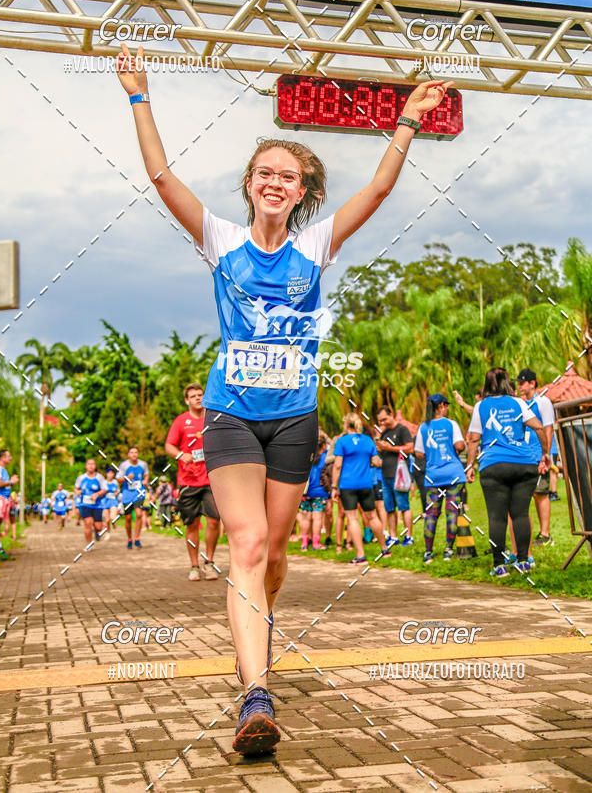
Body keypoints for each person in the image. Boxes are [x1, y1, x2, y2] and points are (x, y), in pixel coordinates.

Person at [116, 39, 450, 754]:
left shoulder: (316, 247)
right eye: (264, 172)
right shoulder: (219, 238)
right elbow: (160, 174)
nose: (274, 182)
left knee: (271, 560)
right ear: (249, 183)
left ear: (303, 193)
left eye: (288, 176)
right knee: (248, 542)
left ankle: (253, 642)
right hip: (231, 414)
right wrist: (139, 93)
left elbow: (381, 190)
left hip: (295, 420)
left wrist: (408, 121)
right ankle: (255, 695)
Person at [466, 367, 550, 577]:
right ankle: (523, 562)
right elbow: (539, 427)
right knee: (520, 513)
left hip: (493, 465)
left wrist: (470, 466)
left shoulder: (480, 406)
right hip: (524, 463)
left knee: (497, 517)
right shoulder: (518, 402)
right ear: (507, 383)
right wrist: (545, 454)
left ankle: (498, 565)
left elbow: (474, 439)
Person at [165, 383, 221, 581]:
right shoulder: (181, 421)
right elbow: (169, 445)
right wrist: (181, 455)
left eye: (200, 395)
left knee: (214, 520)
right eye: (193, 396)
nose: (198, 398)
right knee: (192, 524)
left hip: (211, 479)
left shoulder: (213, 418)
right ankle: (194, 565)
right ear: (187, 400)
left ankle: (210, 562)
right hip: (188, 481)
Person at [331, 414, 392, 565]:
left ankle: (360, 555)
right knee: (372, 516)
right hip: (366, 484)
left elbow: (337, 466)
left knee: (352, 518)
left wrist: (333, 487)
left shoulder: (342, 441)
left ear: (346, 425)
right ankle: (385, 549)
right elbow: (376, 462)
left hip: (348, 485)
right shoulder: (368, 440)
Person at [414, 394, 466, 562]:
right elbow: (460, 445)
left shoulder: (423, 427)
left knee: (431, 514)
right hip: (453, 475)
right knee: (452, 512)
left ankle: (428, 553)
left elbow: (419, 453)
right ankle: (448, 551)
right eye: (447, 405)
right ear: (442, 405)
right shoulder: (451, 424)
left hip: (433, 477)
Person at [517, 368, 556, 547]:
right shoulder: (523, 404)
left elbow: (548, 428)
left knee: (541, 493)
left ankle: (545, 534)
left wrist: (544, 455)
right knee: (531, 494)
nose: (519, 386)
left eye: (522, 383)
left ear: (532, 383)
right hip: (526, 456)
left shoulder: (543, 402)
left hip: (539, 454)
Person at [375, 407, 415, 547]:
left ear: (391, 415)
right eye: (380, 421)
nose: (383, 422)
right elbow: (382, 453)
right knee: (389, 508)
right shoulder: (384, 432)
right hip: (385, 475)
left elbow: (410, 448)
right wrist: (380, 449)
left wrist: (390, 448)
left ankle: (409, 536)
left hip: (400, 475)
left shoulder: (402, 430)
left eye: (385, 419)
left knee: (404, 506)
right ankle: (393, 536)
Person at [299, 433, 329, 551]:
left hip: (306, 492)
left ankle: (304, 543)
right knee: (317, 518)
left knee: (306, 517)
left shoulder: (307, 457)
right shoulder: (325, 458)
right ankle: (316, 543)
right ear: (323, 446)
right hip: (319, 492)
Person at [117, 446, 149, 549]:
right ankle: (129, 539)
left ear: (138, 454)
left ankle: (137, 538)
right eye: (132, 452)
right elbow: (118, 479)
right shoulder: (124, 465)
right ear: (128, 454)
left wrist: (145, 481)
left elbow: (146, 475)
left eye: (136, 452)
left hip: (138, 493)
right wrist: (127, 478)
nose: (134, 454)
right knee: (128, 518)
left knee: (139, 514)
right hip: (127, 494)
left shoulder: (143, 464)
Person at [0, 450, 18, 560]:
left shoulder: (3, 470)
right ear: (2, 457)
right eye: (8, 456)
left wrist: (11, 483)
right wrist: (11, 482)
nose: (10, 458)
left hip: (3, 499)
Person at [74, 460, 106, 545]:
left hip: (97, 505)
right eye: (89, 464)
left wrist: (97, 494)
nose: (91, 466)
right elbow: (76, 488)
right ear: (86, 466)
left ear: (95, 466)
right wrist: (77, 492)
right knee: (88, 523)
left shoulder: (99, 477)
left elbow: (104, 489)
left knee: (98, 527)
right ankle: (89, 544)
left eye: (93, 464)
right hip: (85, 504)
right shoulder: (81, 478)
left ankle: (96, 531)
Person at [102, 466, 120, 539]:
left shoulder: (115, 482)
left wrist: (115, 494)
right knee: (107, 520)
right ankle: (108, 533)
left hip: (113, 501)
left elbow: (118, 491)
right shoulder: (103, 482)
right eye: (109, 473)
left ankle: (114, 523)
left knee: (112, 517)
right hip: (105, 502)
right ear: (106, 474)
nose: (110, 474)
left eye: (112, 473)